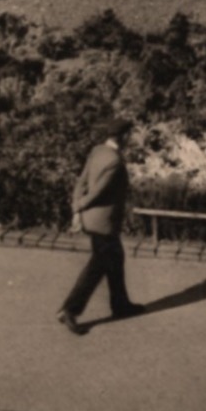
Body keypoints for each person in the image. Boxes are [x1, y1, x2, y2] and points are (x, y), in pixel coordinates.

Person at [58, 119, 145, 335]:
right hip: (103, 223)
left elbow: (81, 182)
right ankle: (70, 309)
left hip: (93, 220)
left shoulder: (98, 151)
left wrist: (76, 209)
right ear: (123, 136)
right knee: (98, 265)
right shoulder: (114, 161)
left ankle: (121, 305)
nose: (131, 139)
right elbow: (97, 192)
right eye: (130, 135)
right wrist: (78, 208)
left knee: (116, 258)